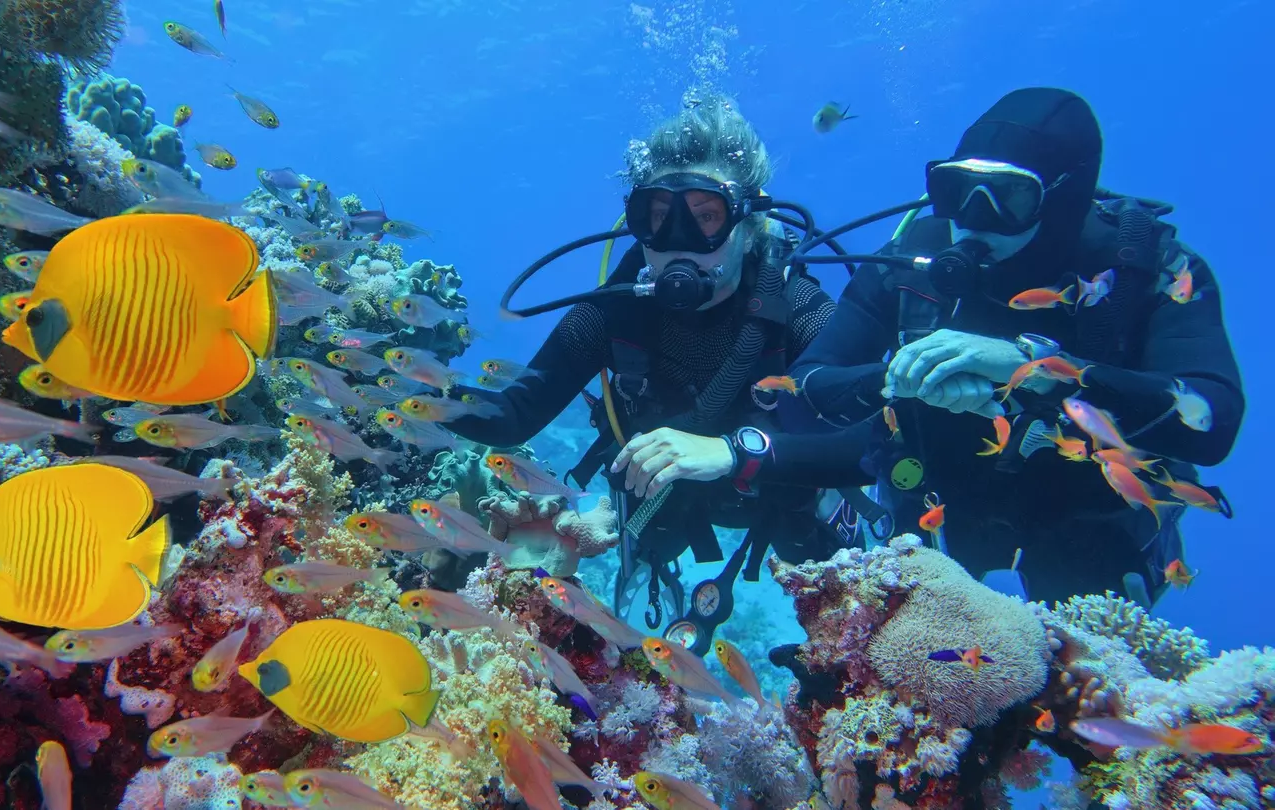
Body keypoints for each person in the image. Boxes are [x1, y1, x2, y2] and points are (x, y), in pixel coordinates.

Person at [787, 87, 1243, 606]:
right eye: (957, 189)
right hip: (937, 509)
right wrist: (898, 376)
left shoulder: (1146, 271)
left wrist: (1044, 369)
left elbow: (1215, 419)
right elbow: (802, 390)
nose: (974, 217)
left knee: (1081, 672)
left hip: (1089, 520)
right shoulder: (912, 262)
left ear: (1063, 197)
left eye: (1011, 196)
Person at [447, 96, 872, 654]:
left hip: (781, 488)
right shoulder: (612, 311)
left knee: (841, 600)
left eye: (706, 218)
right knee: (646, 553)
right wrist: (411, 389)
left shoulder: (800, 309)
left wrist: (736, 451)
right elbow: (514, 414)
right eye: (657, 217)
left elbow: (874, 437)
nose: (677, 243)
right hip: (665, 498)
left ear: (748, 224)